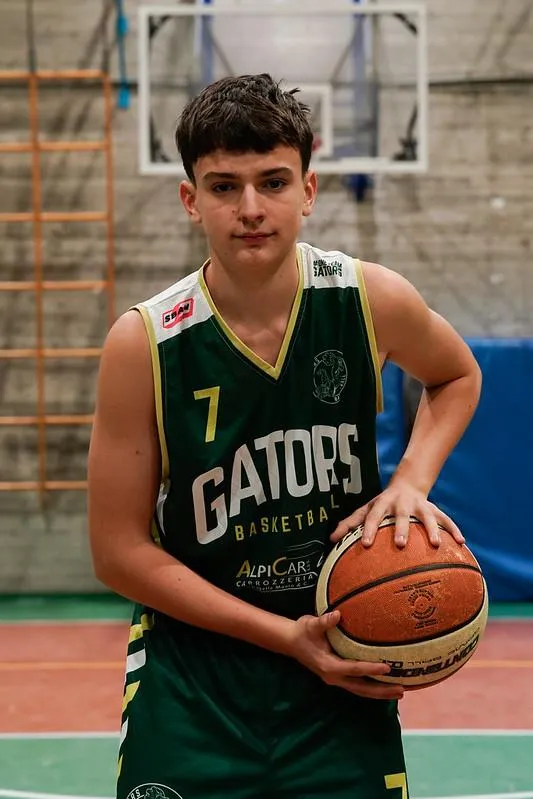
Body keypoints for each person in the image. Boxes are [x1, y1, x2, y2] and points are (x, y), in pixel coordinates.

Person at [88, 74, 482, 799]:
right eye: (223, 186)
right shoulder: (144, 343)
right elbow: (118, 552)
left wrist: (410, 482)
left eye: (272, 182)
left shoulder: (369, 299)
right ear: (190, 200)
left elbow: (457, 375)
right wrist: (284, 639)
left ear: (308, 189)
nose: (250, 209)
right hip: (194, 678)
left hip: (344, 660)